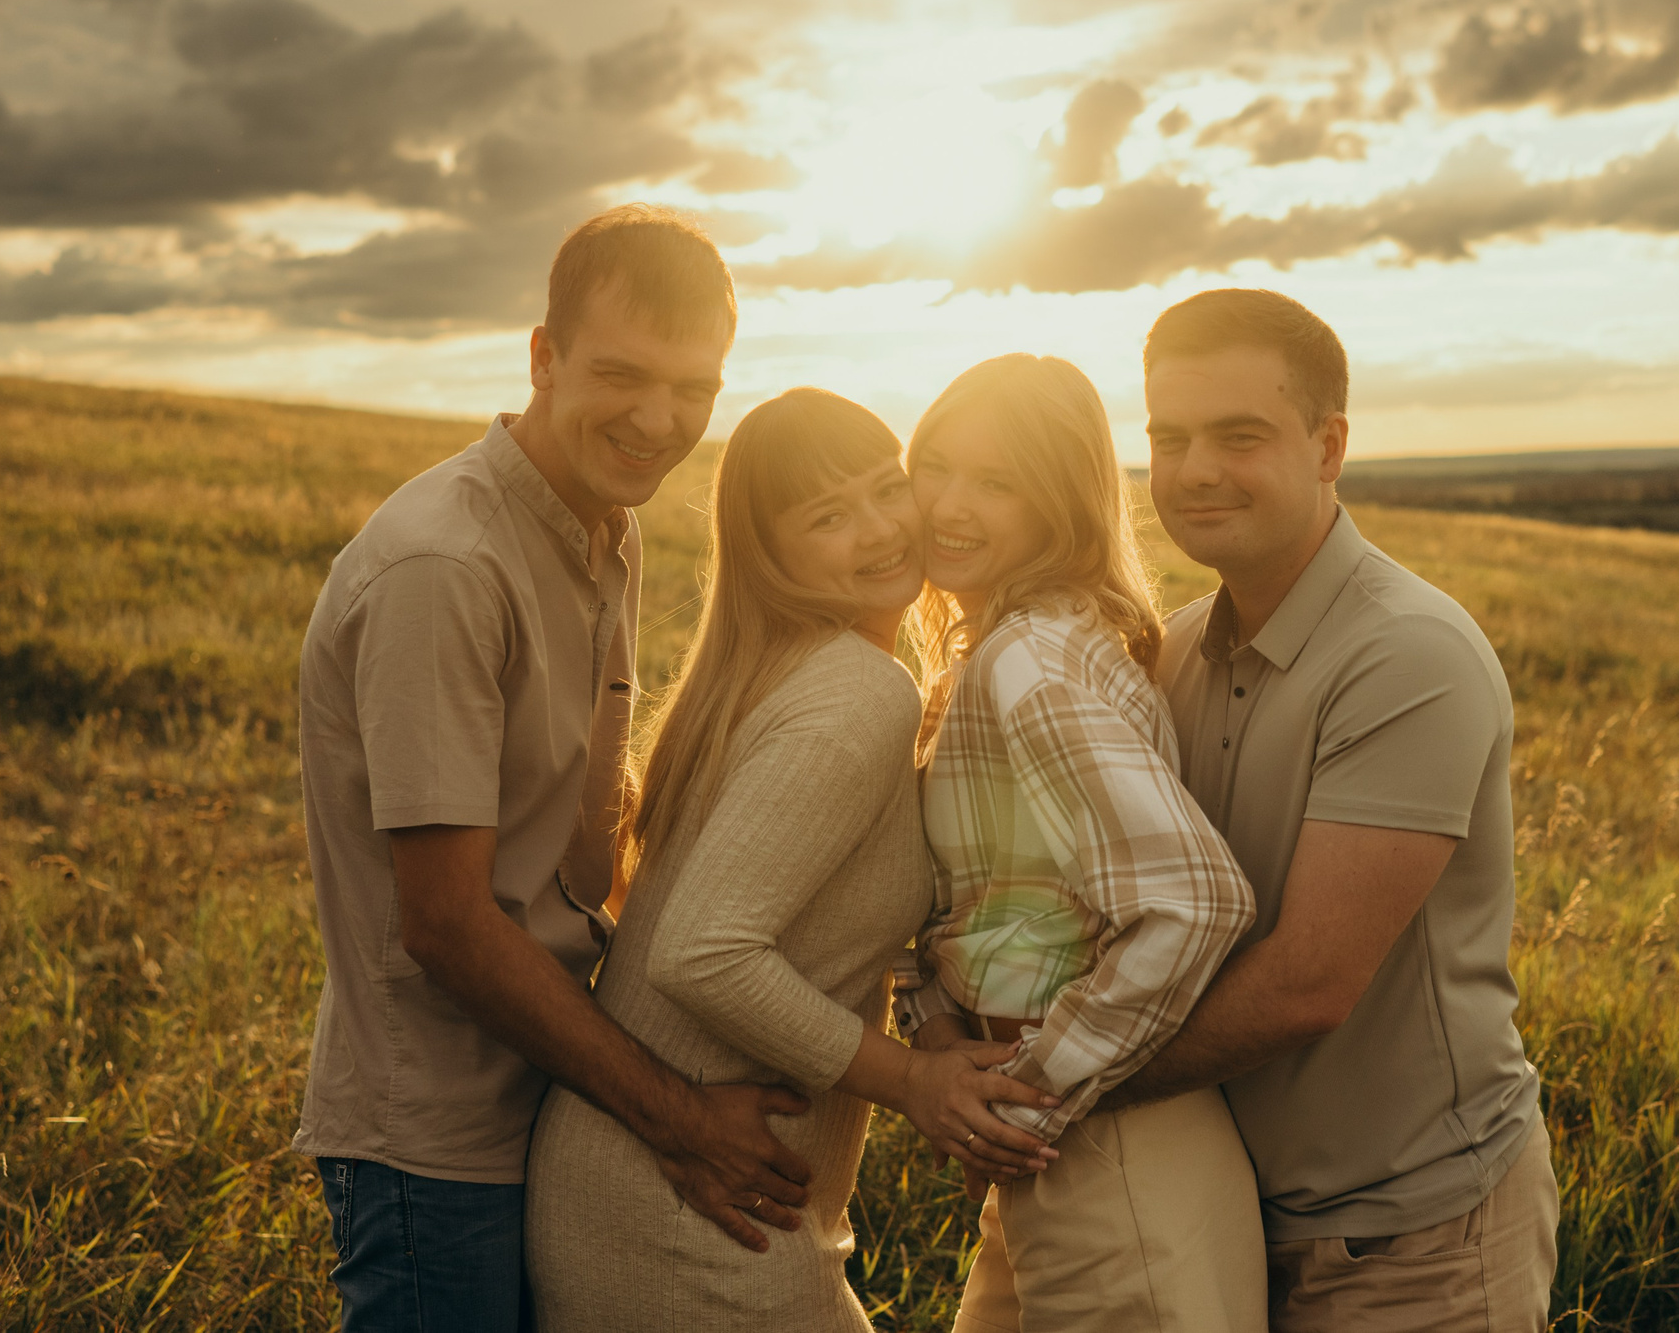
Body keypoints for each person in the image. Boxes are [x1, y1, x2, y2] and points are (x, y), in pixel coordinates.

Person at [293, 207, 819, 1333]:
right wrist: (678, 1116)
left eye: (695, 388)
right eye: (622, 374)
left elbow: (586, 853)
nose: (659, 419)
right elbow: (446, 925)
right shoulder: (447, 566)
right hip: (436, 1139)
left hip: (555, 1098)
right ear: (542, 357)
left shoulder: (602, 532)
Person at [526, 387, 1062, 1332]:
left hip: (678, 1186)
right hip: (688, 1212)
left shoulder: (776, 669)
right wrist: (912, 1082)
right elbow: (701, 950)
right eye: (827, 516)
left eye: (885, 489)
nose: (879, 529)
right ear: (772, 553)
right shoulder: (858, 691)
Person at [1106, 288, 1559, 1333]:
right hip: (1216, 1217)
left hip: (1413, 1239)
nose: (1195, 469)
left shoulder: (1408, 655)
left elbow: (1307, 985)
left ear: (1328, 446)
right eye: (1168, 438)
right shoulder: (1166, 652)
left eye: (1239, 436)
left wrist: (1059, 1089)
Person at [902, 353, 1266, 1333]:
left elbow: (1196, 900)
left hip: (1111, 1165)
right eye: (935, 464)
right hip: (1079, 1155)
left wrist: (1029, 1090)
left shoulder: (1028, 665)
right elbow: (991, 902)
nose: (948, 504)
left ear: (1059, 504)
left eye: (998, 481)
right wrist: (934, 1022)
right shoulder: (1032, 640)